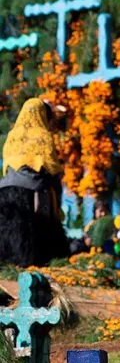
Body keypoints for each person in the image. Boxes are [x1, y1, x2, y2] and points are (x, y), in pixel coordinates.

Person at [0, 98, 70, 267]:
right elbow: (50, 166)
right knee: (36, 234)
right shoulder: (43, 135)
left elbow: (6, 163)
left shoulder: (12, 135)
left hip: (6, 190)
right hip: (32, 192)